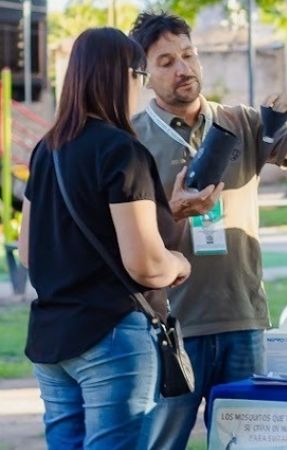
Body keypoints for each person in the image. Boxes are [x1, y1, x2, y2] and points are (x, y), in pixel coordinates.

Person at [128, 11, 287, 449]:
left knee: (244, 442)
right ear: (145, 75)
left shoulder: (243, 122)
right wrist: (173, 212)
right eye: (166, 61)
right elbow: (127, 234)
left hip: (243, 318)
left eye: (189, 55)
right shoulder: (131, 139)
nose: (183, 68)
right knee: (160, 442)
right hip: (170, 324)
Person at [18, 28, 191, 450]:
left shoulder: (47, 149)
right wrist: (179, 264)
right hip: (110, 336)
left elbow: (26, 251)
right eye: (141, 73)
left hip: (52, 337)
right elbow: (146, 265)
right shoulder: (121, 151)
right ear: (123, 76)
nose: (143, 85)